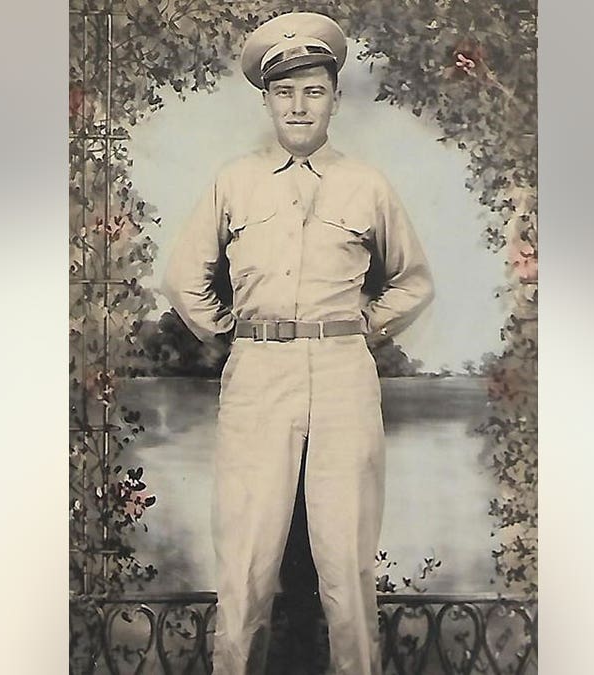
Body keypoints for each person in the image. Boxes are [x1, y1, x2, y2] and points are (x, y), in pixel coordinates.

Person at [161, 12, 435, 674]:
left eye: (313, 90)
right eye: (285, 92)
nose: (299, 105)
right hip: (259, 375)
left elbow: (413, 280)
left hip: (343, 374)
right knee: (247, 564)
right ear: (266, 100)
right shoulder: (236, 181)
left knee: (347, 566)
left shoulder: (366, 184)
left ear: (335, 98)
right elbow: (184, 278)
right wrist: (233, 336)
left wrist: (362, 327)